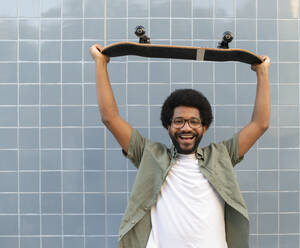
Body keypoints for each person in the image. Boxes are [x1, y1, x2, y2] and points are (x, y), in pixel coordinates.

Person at [89, 44, 271, 248]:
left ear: (204, 127)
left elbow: (260, 124)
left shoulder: (221, 156)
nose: (186, 128)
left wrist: (262, 73)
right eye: (178, 121)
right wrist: (100, 64)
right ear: (168, 125)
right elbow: (110, 118)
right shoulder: (150, 155)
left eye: (194, 121)